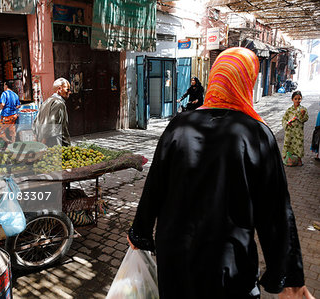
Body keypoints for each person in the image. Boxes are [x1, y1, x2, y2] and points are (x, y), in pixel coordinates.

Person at [127, 48, 314, 299]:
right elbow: (276, 212)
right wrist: (290, 277)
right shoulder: (257, 134)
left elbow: (154, 185)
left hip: (175, 256)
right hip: (228, 265)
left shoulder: (179, 125)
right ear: (248, 81)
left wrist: (140, 232)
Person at [33, 78, 71, 147]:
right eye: (67, 90)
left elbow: (36, 121)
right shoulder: (59, 103)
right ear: (59, 89)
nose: (69, 92)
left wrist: (36, 139)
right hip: (55, 144)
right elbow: (52, 124)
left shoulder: (46, 101)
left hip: (43, 141)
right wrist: (43, 144)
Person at [282, 91, 309, 166]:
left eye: (299, 99)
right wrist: (287, 123)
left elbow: (305, 119)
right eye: (295, 99)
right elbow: (284, 119)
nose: (297, 100)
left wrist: (302, 115)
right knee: (287, 144)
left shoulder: (303, 109)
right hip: (289, 131)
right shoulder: (289, 110)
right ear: (292, 99)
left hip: (298, 132)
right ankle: (284, 158)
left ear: (301, 99)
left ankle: (299, 159)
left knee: (299, 144)